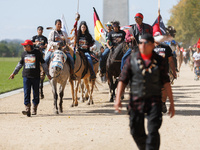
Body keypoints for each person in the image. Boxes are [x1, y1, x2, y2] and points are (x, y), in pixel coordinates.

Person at [115, 34, 175, 150]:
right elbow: (122, 80)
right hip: (136, 100)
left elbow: (167, 83)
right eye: (141, 43)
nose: (142, 45)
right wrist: (118, 99)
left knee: (153, 130)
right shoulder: (132, 59)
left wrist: (171, 104)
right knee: (135, 130)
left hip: (154, 101)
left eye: (146, 43)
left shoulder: (159, 61)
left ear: (152, 45)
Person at [9, 40, 51, 117]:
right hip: (26, 76)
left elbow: (43, 64)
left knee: (36, 94)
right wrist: (14, 73)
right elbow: (20, 64)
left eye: (25, 46)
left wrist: (47, 74)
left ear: (29, 46)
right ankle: (27, 109)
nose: (23, 47)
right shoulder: (24, 54)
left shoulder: (37, 53)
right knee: (26, 93)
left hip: (35, 77)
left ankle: (34, 107)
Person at [153, 35, 177, 113]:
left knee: (164, 89)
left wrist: (173, 71)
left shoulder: (166, 47)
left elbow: (170, 60)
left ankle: (163, 103)